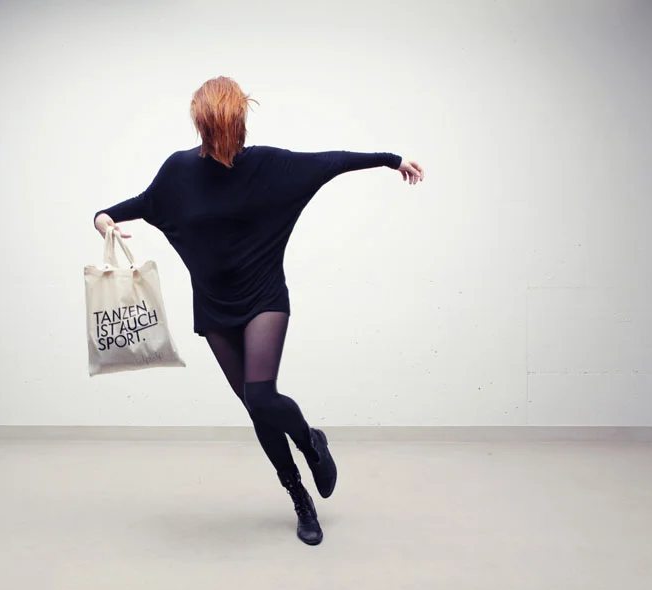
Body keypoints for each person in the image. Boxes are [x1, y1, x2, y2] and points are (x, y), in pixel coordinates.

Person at [93, 76, 424, 546]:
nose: (224, 136)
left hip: (264, 297)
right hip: (214, 307)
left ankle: (311, 441)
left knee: (263, 396)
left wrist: (391, 160)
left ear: (239, 122)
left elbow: (331, 161)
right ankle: (299, 496)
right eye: (215, 128)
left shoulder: (271, 165)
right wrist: (103, 220)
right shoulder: (178, 172)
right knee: (256, 408)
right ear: (203, 125)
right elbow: (138, 204)